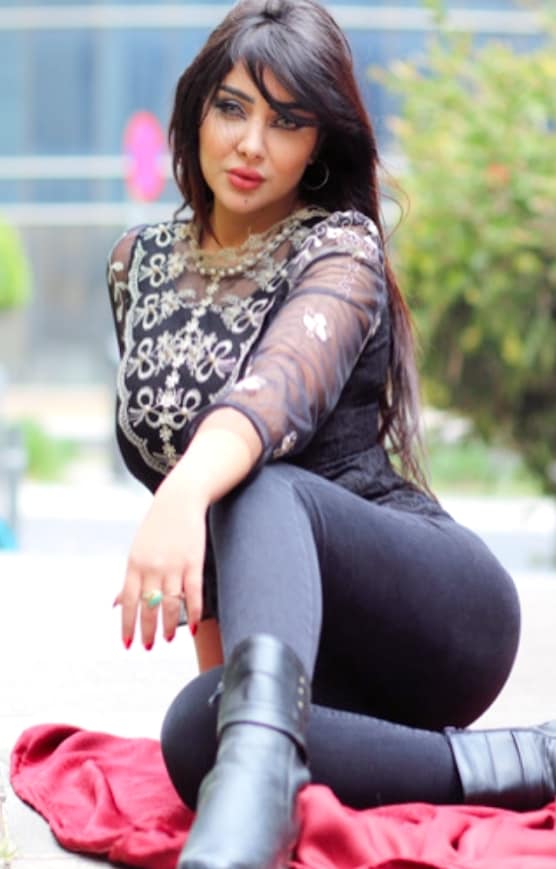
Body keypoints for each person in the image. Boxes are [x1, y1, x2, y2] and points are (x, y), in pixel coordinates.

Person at [107, 2, 556, 868]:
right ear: (197, 110)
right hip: (301, 652)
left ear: (318, 145)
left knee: (261, 479)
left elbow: (277, 395)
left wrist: (188, 488)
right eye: (233, 108)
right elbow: (203, 531)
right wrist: (227, 688)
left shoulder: (340, 249)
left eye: (287, 122)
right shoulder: (137, 266)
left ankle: (260, 767)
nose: (251, 144)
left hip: (428, 610)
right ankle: (525, 761)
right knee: (196, 732)